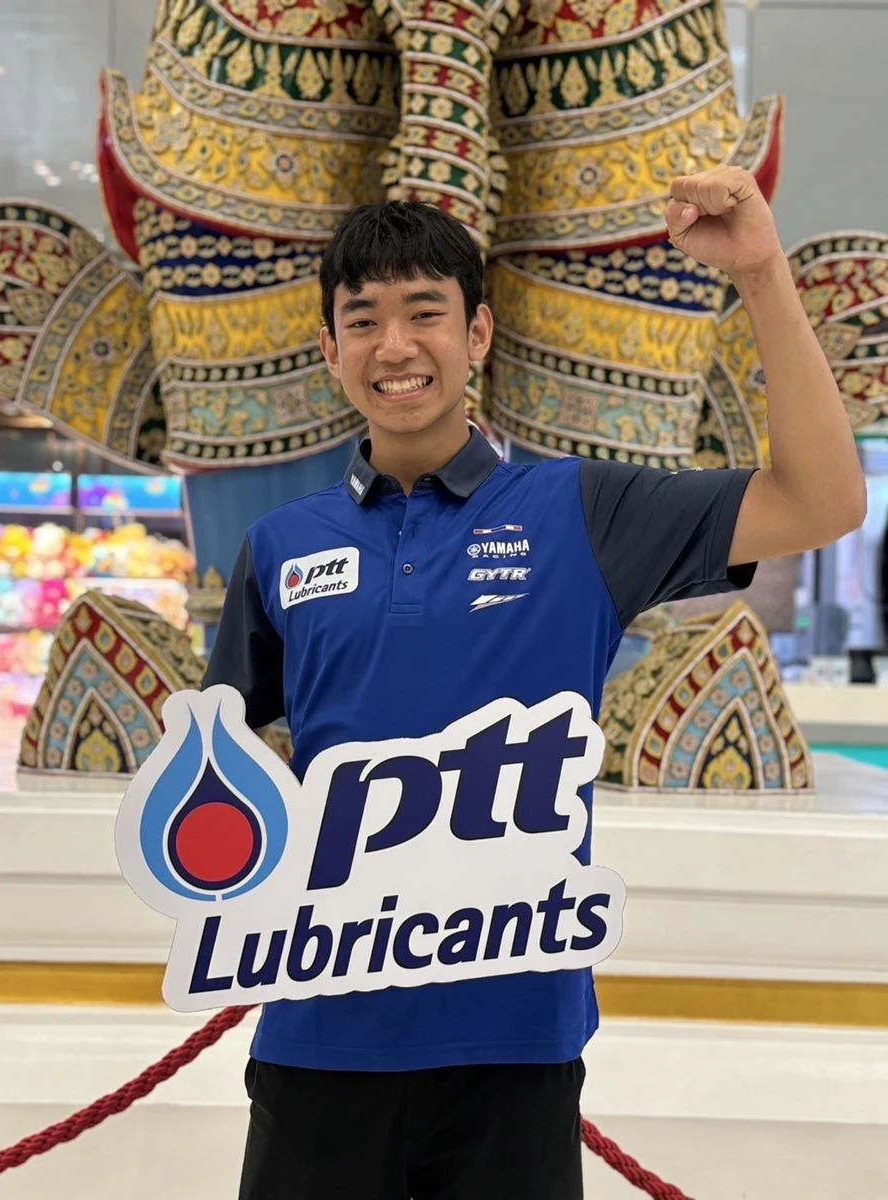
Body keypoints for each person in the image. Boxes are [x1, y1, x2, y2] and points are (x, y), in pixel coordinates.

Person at [202, 165, 866, 1200]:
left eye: (425, 312)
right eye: (362, 320)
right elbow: (226, 770)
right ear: (329, 349)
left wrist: (762, 275)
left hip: (515, 1041)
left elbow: (822, 503)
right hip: (317, 1034)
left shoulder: (583, 512)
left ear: (478, 334)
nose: (394, 346)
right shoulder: (280, 545)